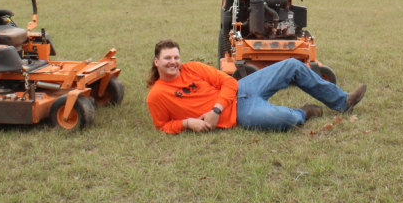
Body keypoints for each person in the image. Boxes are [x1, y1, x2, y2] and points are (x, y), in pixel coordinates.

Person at [145, 39, 367, 133]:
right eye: (167, 58)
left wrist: (215, 110)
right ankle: (305, 112)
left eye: (176, 57)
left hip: (242, 90)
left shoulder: (192, 68)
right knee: (286, 120)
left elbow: (229, 82)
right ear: (157, 62)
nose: (173, 62)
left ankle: (342, 101)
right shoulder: (157, 96)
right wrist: (187, 123)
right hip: (240, 114)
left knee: (291, 64)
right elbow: (162, 125)